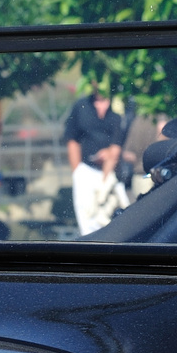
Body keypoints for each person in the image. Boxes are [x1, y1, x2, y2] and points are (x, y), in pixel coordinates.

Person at [63, 75, 131, 234]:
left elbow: (117, 147)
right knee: (87, 224)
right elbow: (71, 139)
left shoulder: (119, 108)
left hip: (112, 173)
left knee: (115, 222)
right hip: (86, 171)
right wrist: (77, 172)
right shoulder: (81, 106)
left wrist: (108, 159)